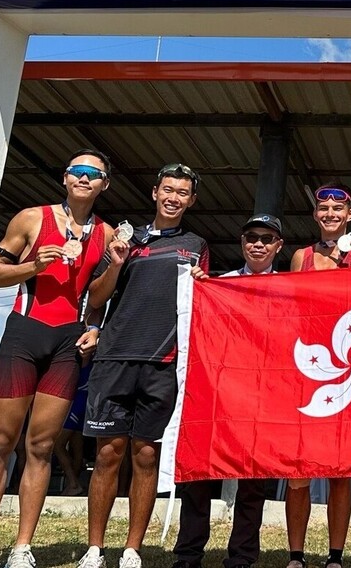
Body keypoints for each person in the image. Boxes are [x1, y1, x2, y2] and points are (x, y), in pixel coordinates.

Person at [0, 149, 114, 568]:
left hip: (67, 344)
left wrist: (114, 272)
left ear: (105, 184)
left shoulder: (104, 234)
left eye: (94, 174)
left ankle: (22, 547)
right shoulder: (32, 218)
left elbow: (95, 297)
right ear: (65, 178)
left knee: (43, 445)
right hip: (24, 335)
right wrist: (33, 266)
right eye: (78, 172)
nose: (85, 179)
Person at [77, 163, 208, 568]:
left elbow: (202, 305)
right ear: (155, 193)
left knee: (146, 455)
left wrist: (205, 284)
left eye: (182, 193)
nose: (173, 198)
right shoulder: (124, 238)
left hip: (164, 364)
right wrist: (116, 263)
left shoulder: (197, 243)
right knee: (108, 455)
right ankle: (95, 549)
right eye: (168, 190)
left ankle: (133, 550)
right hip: (115, 358)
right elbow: (96, 299)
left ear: (191, 200)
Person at [170, 213, 284, 568]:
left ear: (278, 246)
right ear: (242, 241)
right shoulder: (220, 284)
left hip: (264, 396)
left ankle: (243, 557)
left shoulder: (289, 287)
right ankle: (188, 554)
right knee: (200, 474)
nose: (258, 244)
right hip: (217, 391)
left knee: (253, 482)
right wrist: (198, 287)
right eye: (252, 236)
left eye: (267, 238)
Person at [286, 183, 351, 568]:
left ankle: (335, 556)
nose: (329, 214)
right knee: (300, 471)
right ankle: (296, 554)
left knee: (342, 471)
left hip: (348, 371)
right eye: (323, 208)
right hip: (310, 369)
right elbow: (289, 312)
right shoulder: (300, 257)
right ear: (315, 216)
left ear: (350, 216)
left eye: (336, 209)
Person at [53, 361, 92, 496]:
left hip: (76, 401)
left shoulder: (81, 359)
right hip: (85, 402)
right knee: (77, 447)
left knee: (58, 445)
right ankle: (73, 485)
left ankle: (73, 483)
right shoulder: (94, 358)